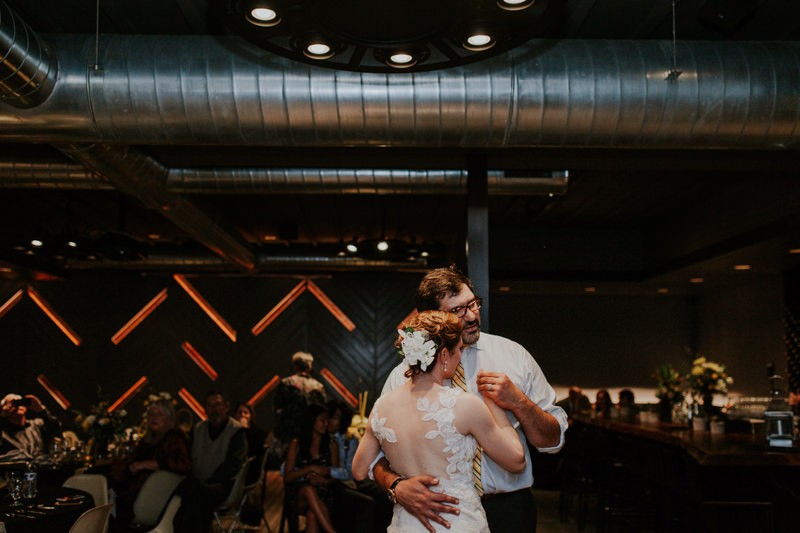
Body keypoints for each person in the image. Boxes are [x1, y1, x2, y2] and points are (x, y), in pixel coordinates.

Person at [373, 265, 568, 532]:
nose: (473, 316)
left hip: (509, 508)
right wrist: (396, 487)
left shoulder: (514, 356)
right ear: (432, 317)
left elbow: (553, 442)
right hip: (439, 514)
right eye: (458, 311)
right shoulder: (404, 376)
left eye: (473, 304)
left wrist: (518, 402)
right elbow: (375, 459)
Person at [353, 311, 526, 532]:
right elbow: (516, 461)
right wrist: (495, 405)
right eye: (459, 350)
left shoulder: (382, 406)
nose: (460, 357)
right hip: (457, 523)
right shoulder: (464, 405)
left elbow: (358, 470)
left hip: (407, 525)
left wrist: (396, 485)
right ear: (444, 355)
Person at [108, 398, 191, 529]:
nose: (154, 417)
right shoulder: (148, 441)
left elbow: (183, 464)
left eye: (159, 414)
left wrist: (148, 464)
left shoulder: (174, 437)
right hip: (133, 488)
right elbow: (129, 461)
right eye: (151, 414)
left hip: (151, 497)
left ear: (169, 418)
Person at [173, 390, 248, 533]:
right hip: (198, 484)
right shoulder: (197, 429)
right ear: (205, 409)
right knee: (185, 496)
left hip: (223, 485)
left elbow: (233, 465)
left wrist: (207, 483)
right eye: (210, 406)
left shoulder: (236, 431)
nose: (214, 410)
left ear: (226, 407)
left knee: (194, 499)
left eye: (218, 405)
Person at [282, 403, 339, 533]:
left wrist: (324, 481)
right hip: (298, 496)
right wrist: (310, 468)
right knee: (308, 489)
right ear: (311, 421)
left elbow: (336, 475)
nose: (326, 424)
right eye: (322, 420)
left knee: (312, 516)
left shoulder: (331, 445)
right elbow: (288, 477)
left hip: (322, 494)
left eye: (327, 420)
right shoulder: (296, 444)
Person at [326, 399, 380, 533]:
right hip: (334, 484)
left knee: (383, 495)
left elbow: (351, 471)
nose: (330, 421)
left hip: (350, 480)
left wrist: (330, 471)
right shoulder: (322, 438)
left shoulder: (349, 439)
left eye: (335, 418)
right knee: (367, 504)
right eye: (330, 417)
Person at [273, 351, 328, 461]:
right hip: (312, 433)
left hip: (289, 433)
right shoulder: (318, 386)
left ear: (295, 365)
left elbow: (278, 408)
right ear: (309, 367)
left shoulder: (286, 383)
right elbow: (323, 409)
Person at [233, 401, 268, 526]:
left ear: (251, 416)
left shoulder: (257, 433)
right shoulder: (229, 432)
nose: (242, 415)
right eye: (239, 412)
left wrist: (244, 431)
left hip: (249, 473)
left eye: (245, 413)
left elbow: (251, 452)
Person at [0, 393, 62, 462]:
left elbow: (56, 427)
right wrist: (2, 414)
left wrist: (41, 410)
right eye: (13, 403)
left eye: (20, 402)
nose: (17, 406)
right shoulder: (3, 433)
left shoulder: (37, 424)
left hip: (42, 467)